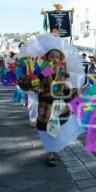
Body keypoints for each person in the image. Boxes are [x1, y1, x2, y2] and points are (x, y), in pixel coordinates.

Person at [18, 34, 85, 167]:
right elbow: (36, 82)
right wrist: (34, 84)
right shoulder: (46, 70)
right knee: (45, 129)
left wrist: (79, 91)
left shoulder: (63, 73)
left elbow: (65, 90)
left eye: (57, 57)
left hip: (59, 106)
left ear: (61, 59)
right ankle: (50, 154)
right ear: (47, 58)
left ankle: (53, 149)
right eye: (52, 56)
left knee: (57, 128)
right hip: (45, 105)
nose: (55, 59)